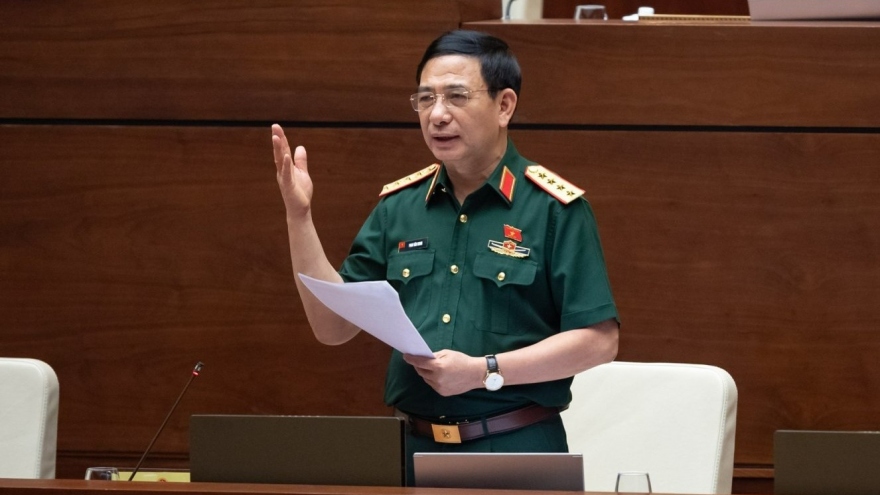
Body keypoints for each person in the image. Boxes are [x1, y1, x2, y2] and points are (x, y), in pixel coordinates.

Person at [272, 29, 619, 482]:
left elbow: (599, 341)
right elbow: (332, 327)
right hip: (408, 451)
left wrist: (483, 371)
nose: (437, 115)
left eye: (457, 96)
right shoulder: (399, 206)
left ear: (504, 106)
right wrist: (299, 216)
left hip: (515, 448)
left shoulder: (554, 208)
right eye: (425, 99)